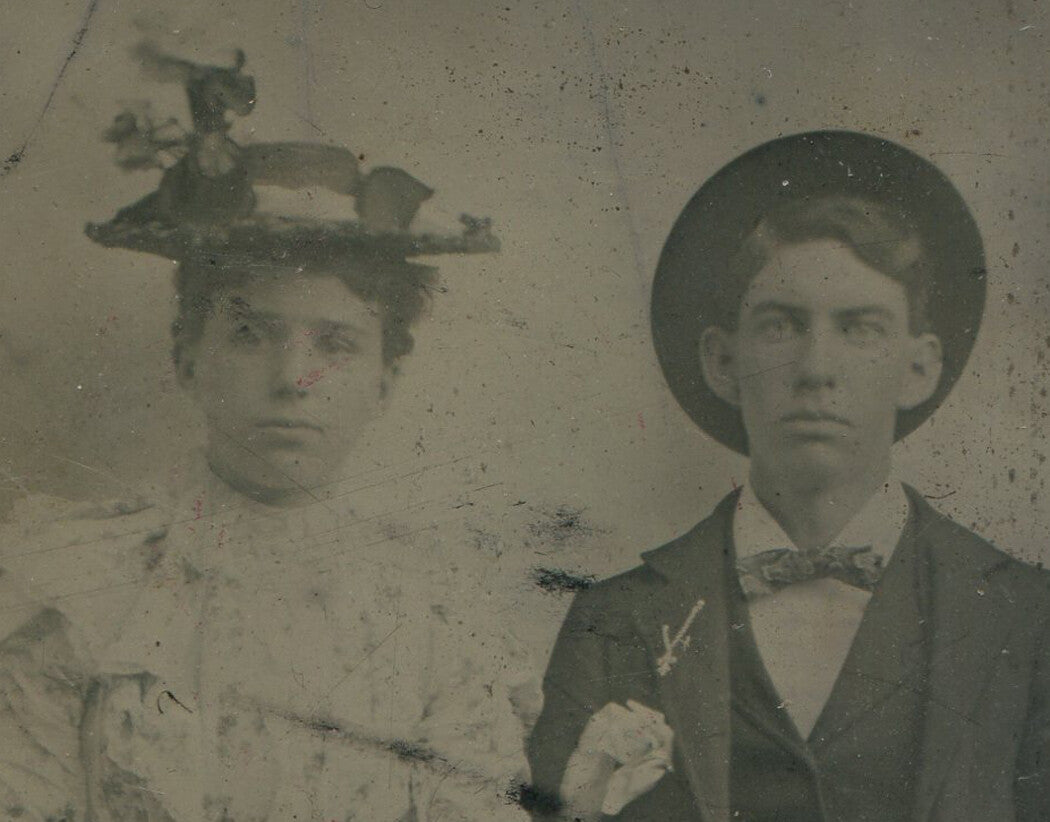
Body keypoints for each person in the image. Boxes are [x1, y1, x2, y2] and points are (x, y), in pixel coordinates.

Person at [0, 45, 527, 821]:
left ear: (384, 380)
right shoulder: (81, 582)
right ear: (187, 356)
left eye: (336, 344)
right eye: (251, 334)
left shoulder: (437, 614)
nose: (293, 378)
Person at [526, 131, 1050, 821]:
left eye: (860, 328)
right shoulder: (615, 620)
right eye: (780, 326)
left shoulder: (1025, 618)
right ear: (722, 362)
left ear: (919, 368)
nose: (816, 369)